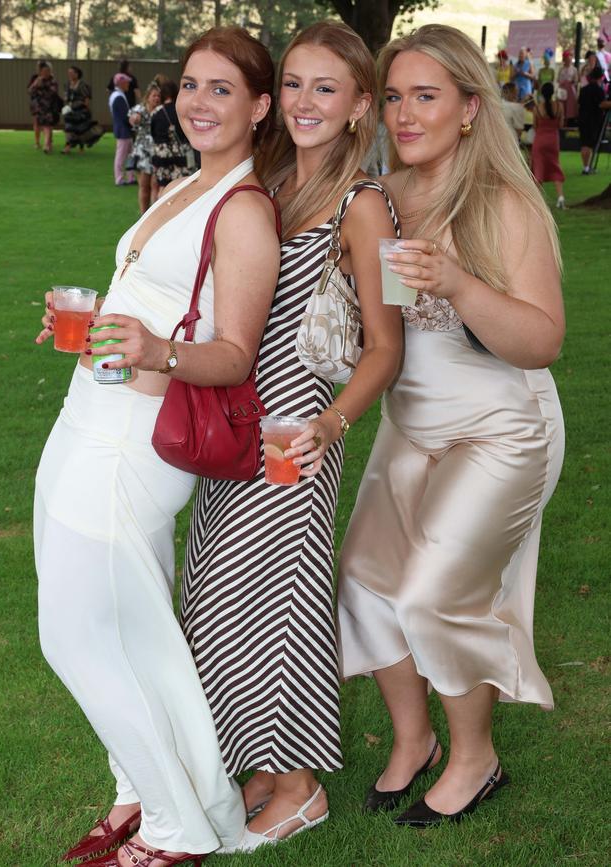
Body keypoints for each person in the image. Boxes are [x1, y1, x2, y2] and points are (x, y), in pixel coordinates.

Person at [33, 25, 281, 867]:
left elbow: (234, 354)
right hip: (89, 413)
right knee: (133, 633)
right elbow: (157, 301)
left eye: (223, 89)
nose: (200, 103)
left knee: (74, 635)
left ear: (260, 106)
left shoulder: (245, 209)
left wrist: (152, 351)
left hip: (133, 444)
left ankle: (177, 831)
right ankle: (146, 792)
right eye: (190, 86)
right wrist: (98, 326)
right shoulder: (187, 184)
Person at [181, 21, 401, 854]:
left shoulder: (363, 205)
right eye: (297, 84)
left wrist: (331, 423)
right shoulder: (269, 183)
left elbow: (387, 346)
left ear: (357, 107)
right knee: (216, 595)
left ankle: (302, 785)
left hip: (298, 432)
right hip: (234, 420)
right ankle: (261, 767)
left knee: (281, 602)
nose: (306, 102)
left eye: (326, 88)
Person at [337, 23, 565, 828]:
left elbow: (543, 341)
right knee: (364, 581)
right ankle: (413, 741)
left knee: (434, 595)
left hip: (502, 422)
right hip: (413, 416)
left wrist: (461, 284)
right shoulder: (381, 194)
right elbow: (380, 329)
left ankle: (477, 757)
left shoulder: (502, 200)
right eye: (394, 96)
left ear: (470, 108)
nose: (405, 113)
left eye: (426, 96)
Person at [150, 79, 193, 202]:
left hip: (161, 152)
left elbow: (152, 133)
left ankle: (157, 214)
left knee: (162, 185)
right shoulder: (181, 111)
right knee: (179, 186)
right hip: (179, 152)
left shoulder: (156, 112)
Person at [128, 80, 162, 213]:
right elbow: (133, 118)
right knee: (143, 185)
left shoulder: (161, 111)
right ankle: (143, 215)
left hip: (157, 151)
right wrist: (134, 118)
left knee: (155, 185)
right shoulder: (140, 109)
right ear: (148, 97)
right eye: (154, 95)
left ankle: (152, 215)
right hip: (142, 152)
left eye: (159, 96)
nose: (157, 98)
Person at [532, 82, 565, 208]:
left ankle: (538, 202)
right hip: (553, 140)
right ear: (553, 92)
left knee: (538, 169)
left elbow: (535, 126)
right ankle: (561, 197)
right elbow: (561, 125)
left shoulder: (537, 108)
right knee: (555, 167)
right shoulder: (559, 106)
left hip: (540, 140)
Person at [61, 65, 103, 154]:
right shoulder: (67, 84)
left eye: (71, 73)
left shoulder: (83, 85)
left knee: (80, 129)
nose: (69, 74)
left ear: (77, 74)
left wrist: (85, 109)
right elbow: (65, 97)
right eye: (69, 73)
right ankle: (67, 147)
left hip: (81, 110)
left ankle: (81, 148)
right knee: (69, 127)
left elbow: (87, 99)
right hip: (69, 110)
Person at [578, 66, 611, 174]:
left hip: (582, 118)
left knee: (584, 143)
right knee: (589, 144)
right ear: (601, 77)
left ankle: (586, 166)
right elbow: (602, 104)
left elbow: (579, 104)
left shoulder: (583, 90)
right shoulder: (598, 90)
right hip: (592, 120)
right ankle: (587, 167)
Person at [27, 61, 60, 154]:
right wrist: (36, 83)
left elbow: (53, 92)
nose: (45, 73)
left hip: (49, 106)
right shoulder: (35, 78)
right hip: (37, 106)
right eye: (43, 71)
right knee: (37, 123)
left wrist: (43, 86)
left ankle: (47, 144)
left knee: (47, 125)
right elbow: (30, 91)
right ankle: (38, 142)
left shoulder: (52, 80)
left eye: (47, 71)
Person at [109, 72, 135, 186]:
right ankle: (119, 179)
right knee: (121, 155)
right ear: (121, 83)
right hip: (123, 130)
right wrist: (132, 124)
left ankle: (130, 177)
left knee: (129, 154)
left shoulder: (116, 95)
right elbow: (124, 116)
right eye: (126, 82)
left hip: (123, 130)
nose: (128, 84)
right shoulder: (118, 97)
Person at [557, 50, 578, 125]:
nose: (568, 61)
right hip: (562, 89)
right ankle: (562, 121)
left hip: (570, 90)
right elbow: (558, 80)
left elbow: (576, 80)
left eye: (570, 59)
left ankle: (570, 122)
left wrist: (571, 82)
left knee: (570, 107)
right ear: (564, 60)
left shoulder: (574, 69)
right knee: (562, 106)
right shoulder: (561, 69)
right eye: (567, 59)